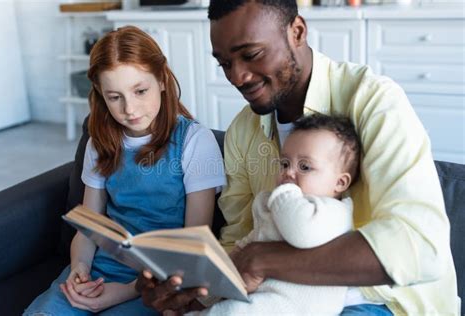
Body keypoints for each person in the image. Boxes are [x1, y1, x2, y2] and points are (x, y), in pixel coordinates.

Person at [136, 1, 459, 315]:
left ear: (298, 31)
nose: (237, 77)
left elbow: (420, 248)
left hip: (383, 303)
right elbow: (240, 239)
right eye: (224, 63)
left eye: (251, 55)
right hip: (278, 300)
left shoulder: (373, 100)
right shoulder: (243, 131)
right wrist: (190, 288)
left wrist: (264, 259)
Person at [24, 25, 226, 315]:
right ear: (100, 95)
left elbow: (193, 246)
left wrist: (125, 291)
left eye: (140, 90)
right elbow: (89, 227)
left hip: (158, 282)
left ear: (162, 80)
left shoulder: (195, 141)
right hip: (100, 269)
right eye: (114, 96)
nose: (129, 109)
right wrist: (80, 268)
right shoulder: (101, 141)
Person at [194, 114, 363, 315]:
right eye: (284, 164)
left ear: (340, 183)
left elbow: (301, 232)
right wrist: (205, 294)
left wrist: (285, 193)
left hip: (297, 307)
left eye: (305, 167)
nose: (289, 173)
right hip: (263, 298)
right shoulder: (277, 206)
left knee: (232, 312)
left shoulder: (335, 212)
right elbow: (246, 247)